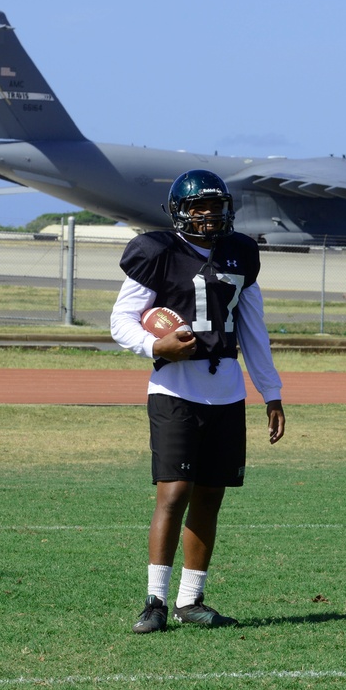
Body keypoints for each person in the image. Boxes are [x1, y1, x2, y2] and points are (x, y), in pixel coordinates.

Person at [110, 169, 286, 634]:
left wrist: (271, 392)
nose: (208, 215)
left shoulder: (241, 253)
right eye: (198, 206)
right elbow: (121, 320)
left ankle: (191, 599)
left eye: (216, 206)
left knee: (210, 496)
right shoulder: (159, 251)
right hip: (176, 390)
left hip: (226, 390)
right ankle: (155, 600)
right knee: (173, 494)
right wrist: (156, 347)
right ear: (179, 211)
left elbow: (253, 330)